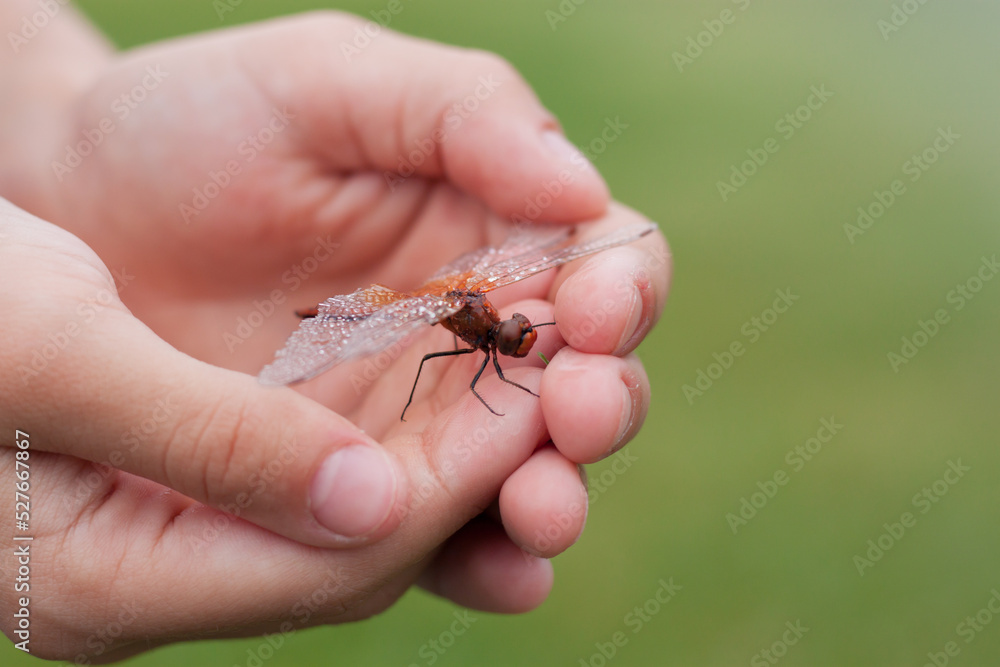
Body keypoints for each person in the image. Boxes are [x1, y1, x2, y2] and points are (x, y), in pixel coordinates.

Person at [0, 4, 670, 661]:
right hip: (392, 303)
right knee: (408, 354)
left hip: (423, 295)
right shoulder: (470, 328)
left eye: (519, 335)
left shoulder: (490, 315)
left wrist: (59, 120)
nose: (519, 337)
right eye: (516, 334)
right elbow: (464, 368)